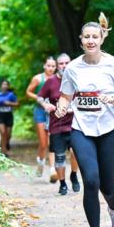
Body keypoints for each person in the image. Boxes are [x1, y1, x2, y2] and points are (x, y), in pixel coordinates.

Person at [55, 17, 114, 227]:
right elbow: (66, 96)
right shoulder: (73, 67)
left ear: (101, 39)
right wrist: (61, 106)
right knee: (90, 180)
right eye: (86, 37)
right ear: (81, 40)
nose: (90, 40)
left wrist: (113, 99)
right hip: (81, 129)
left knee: (108, 186)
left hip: (109, 128)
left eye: (94, 37)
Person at [38, 53, 82, 195]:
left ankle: (74, 175)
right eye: (61, 64)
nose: (64, 66)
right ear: (57, 66)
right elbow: (40, 97)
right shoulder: (51, 82)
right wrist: (45, 105)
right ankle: (62, 183)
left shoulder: (77, 80)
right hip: (56, 125)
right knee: (59, 157)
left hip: (75, 125)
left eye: (66, 63)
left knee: (75, 153)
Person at [27, 57, 57, 179]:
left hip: (52, 112)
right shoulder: (38, 78)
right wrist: (40, 98)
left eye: (53, 66)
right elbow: (28, 92)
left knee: (51, 142)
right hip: (40, 111)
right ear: (44, 66)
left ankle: (52, 170)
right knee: (43, 143)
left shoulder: (58, 79)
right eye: (48, 65)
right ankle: (40, 163)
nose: (50, 68)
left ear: (56, 67)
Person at [0, 79, 18, 155]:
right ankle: (3, 151)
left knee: (8, 135)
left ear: (8, 86)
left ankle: (6, 145)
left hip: (9, 115)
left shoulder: (11, 95)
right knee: (3, 133)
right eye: (3, 84)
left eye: (6, 84)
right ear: (1, 86)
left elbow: (17, 104)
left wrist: (9, 103)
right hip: (0, 115)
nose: (4, 86)